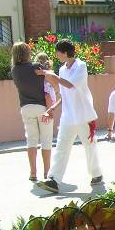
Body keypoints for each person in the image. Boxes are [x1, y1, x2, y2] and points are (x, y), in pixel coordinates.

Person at [36, 39, 103, 194]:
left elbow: (70, 85)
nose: (56, 55)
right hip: (68, 117)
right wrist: (53, 107)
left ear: (65, 52)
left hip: (84, 116)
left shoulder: (81, 66)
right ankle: (54, 179)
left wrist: (49, 74)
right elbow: (65, 93)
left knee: (90, 147)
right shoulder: (62, 69)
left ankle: (96, 174)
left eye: (57, 52)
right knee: (61, 147)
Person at [10, 42, 52, 182]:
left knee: (31, 140)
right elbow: (48, 75)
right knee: (46, 139)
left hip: (25, 107)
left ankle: (33, 172)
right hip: (41, 106)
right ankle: (47, 172)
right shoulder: (36, 67)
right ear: (27, 53)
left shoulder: (14, 70)